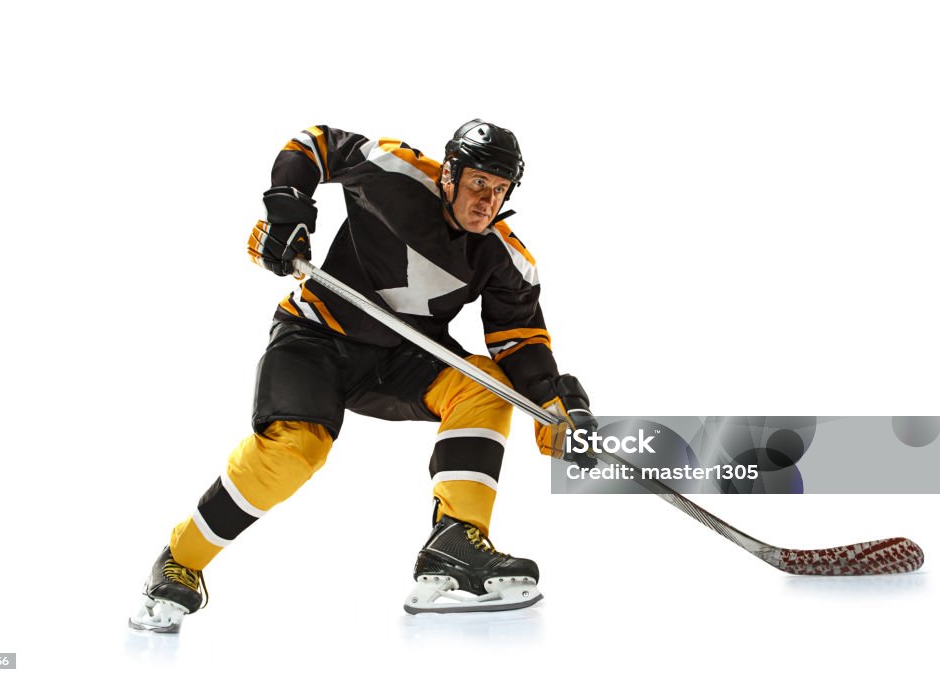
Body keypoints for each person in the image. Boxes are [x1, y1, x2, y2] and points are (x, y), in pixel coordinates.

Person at [129, 120, 597, 630]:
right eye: (478, 183)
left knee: (486, 384)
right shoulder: (394, 172)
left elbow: (520, 339)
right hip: (315, 338)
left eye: (499, 189)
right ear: (450, 175)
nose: (487, 199)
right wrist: (287, 211)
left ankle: (456, 542)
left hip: (398, 360)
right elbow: (314, 144)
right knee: (293, 453)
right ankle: (180, 560)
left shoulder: (506, 257)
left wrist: (554, 407)